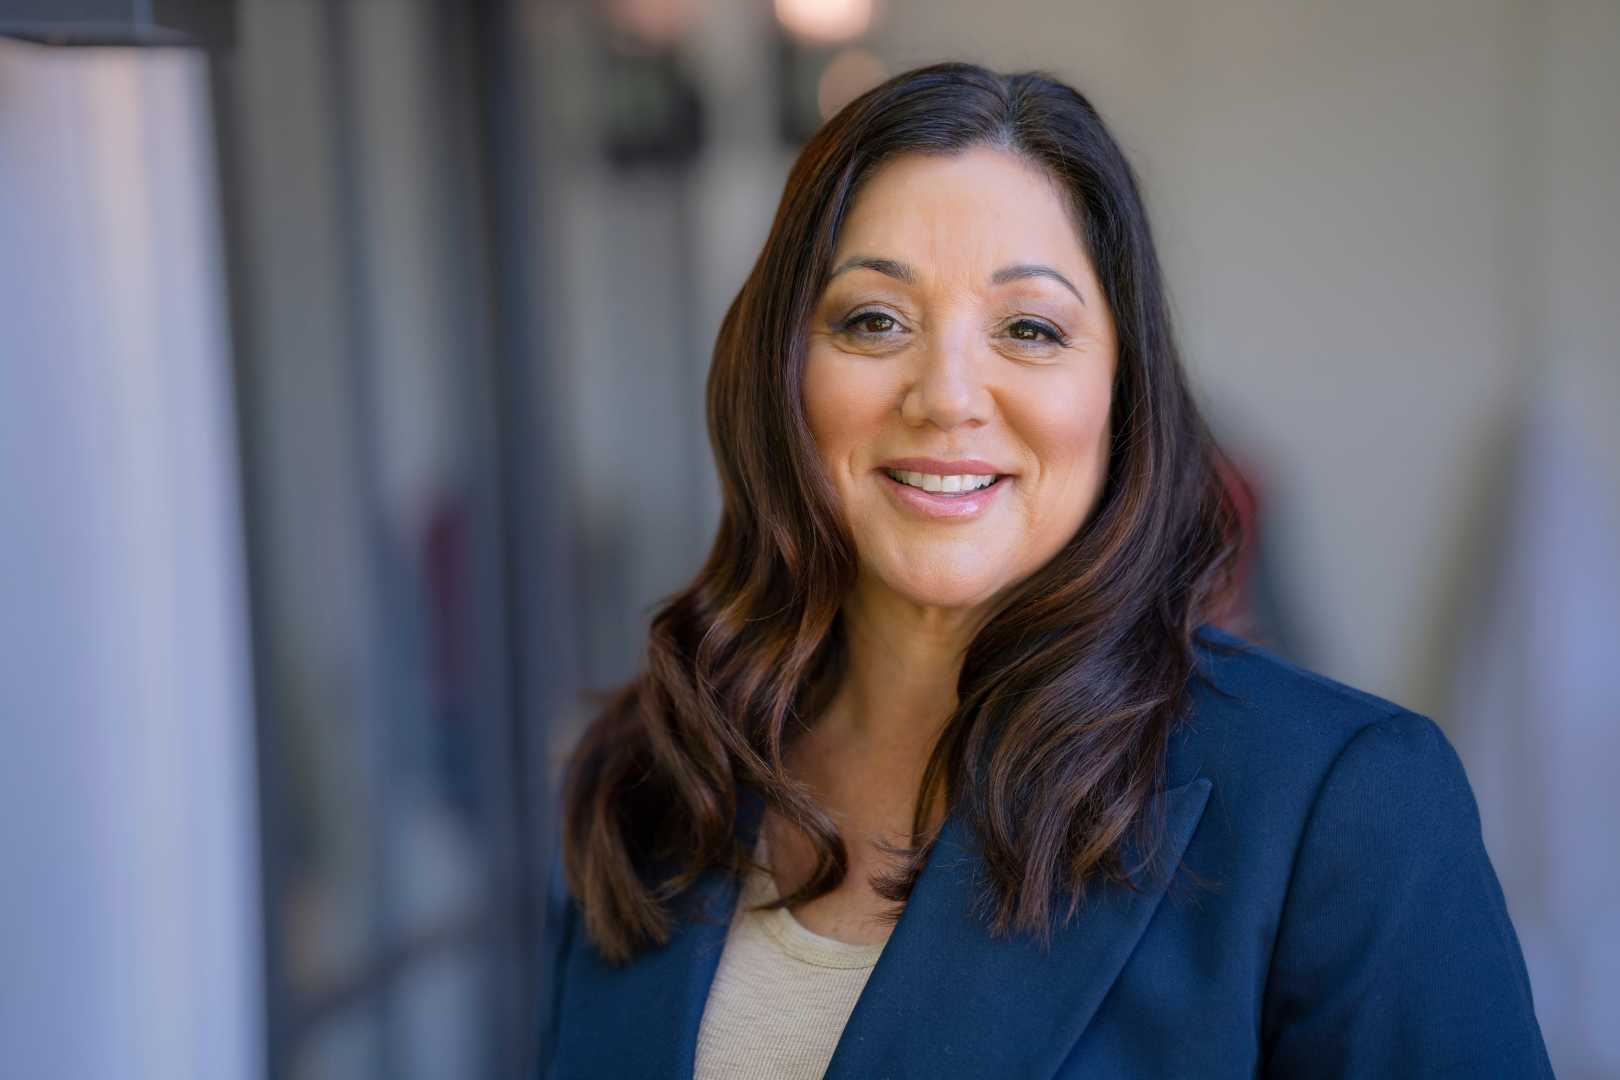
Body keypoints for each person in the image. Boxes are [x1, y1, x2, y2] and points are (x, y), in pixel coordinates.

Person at [536, 62, 1552, 1078]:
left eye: (1030, 329)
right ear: (781, 371)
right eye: (873, 320)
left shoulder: (1340, 803)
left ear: (1119, 393)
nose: (946, 396)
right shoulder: (651, 771)